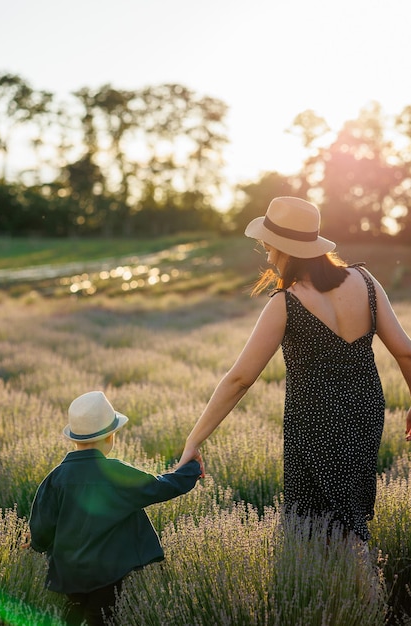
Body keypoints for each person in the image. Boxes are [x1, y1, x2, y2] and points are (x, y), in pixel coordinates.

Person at [178, 195, 411, 542]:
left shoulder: (286, 302)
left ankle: (359, 588)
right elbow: (406, 353)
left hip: (314, 421)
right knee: (348, 511)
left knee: (317, 525)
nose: (269, 256)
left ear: (288, 250)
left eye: (271, 247)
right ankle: (353, 587)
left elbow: (240, 379)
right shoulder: (365, 280)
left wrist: (193, 439)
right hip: (366, 410)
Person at [29, 390, 202, 626]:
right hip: (106, 571)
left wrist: (37, 543)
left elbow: (43, 522)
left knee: (72, 612)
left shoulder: (56, 477)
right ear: (110, 438)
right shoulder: (116, 473)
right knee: (102, 618)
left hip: (68, 569)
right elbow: (160, 487)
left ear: (75, 438)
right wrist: (190, 469)